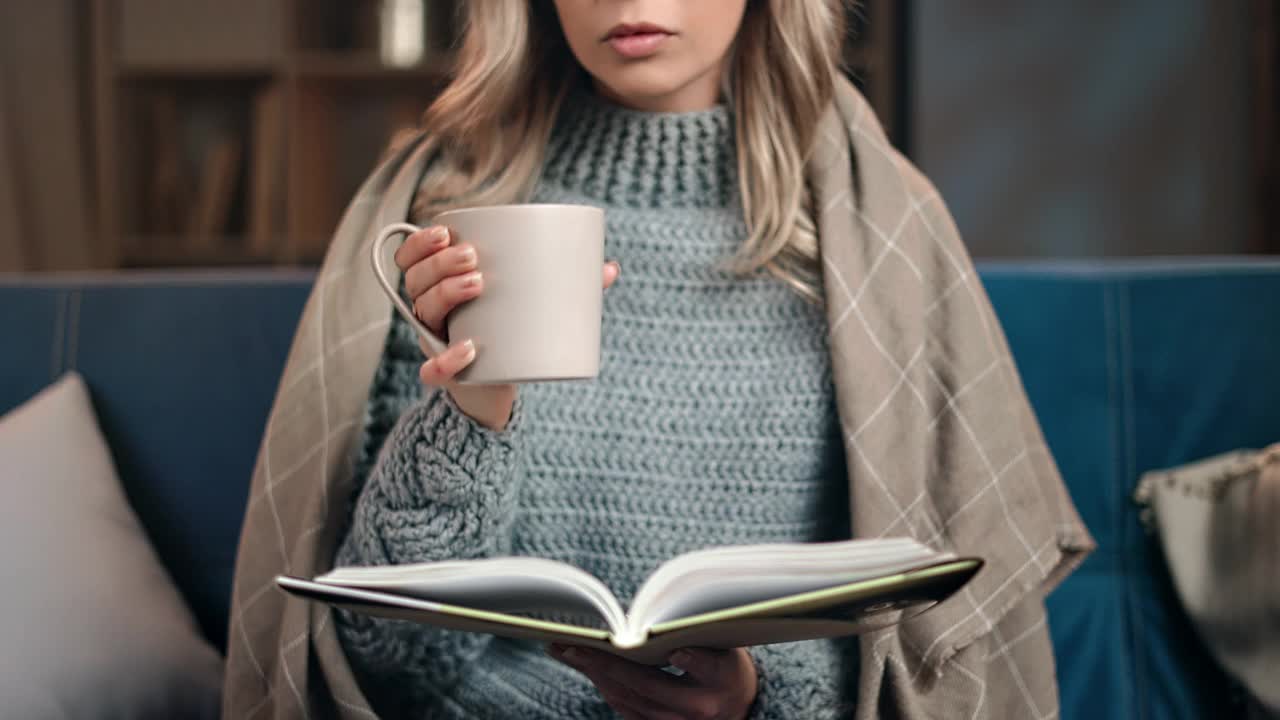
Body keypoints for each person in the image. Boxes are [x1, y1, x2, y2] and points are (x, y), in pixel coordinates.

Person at [222, 1, 1093, 718]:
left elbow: (926, 659)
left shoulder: (877, 229)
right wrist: (474, 404)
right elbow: (389, 661)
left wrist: (754, 701)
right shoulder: (440, 211)